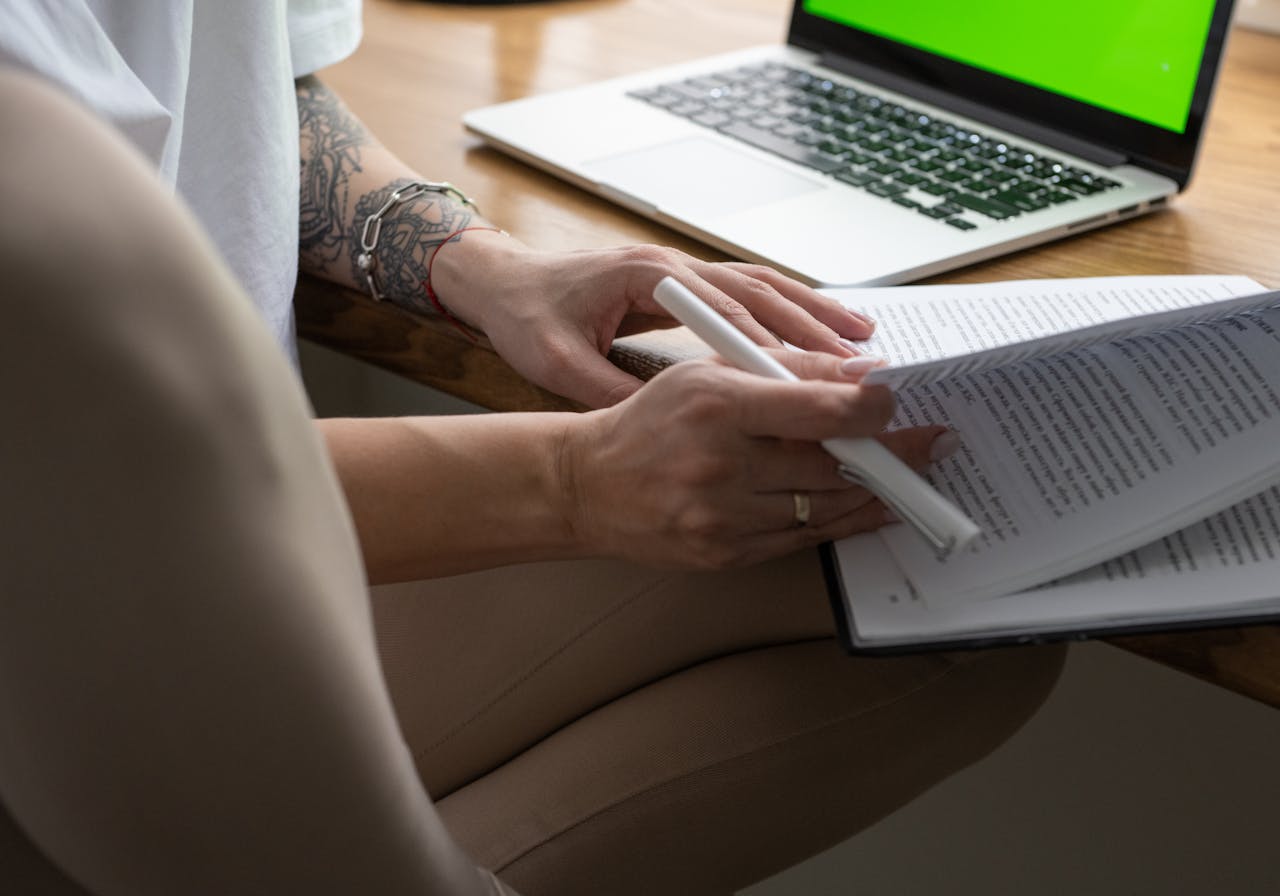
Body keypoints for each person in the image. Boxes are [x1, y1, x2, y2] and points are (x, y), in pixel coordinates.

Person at [0, 3, 1064, 895]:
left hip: (226, 551)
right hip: (75, 634)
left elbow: (250, 86)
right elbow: (67, 498)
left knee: (955, 593)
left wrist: (472, 261)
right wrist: (570, 479)